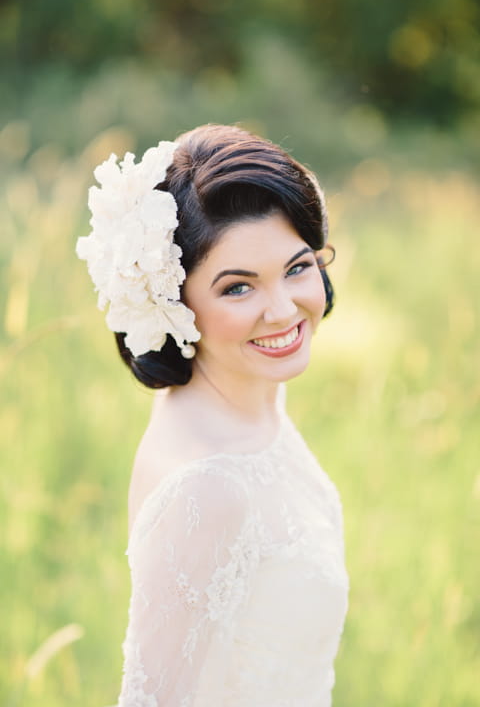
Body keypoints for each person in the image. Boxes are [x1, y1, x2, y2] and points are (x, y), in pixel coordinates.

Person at [76, 124, 349, 706]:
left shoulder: (250, 394)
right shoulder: (208, 489)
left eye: (297, 268)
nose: (283, 311)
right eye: (237, 289)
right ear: (172, 304)